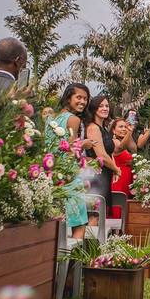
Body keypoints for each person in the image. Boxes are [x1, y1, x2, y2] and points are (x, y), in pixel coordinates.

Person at [45, 83, 94, 240]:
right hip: (69, 176)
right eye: (78, 97)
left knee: (55, 221)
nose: (83, 102)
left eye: (85, 99)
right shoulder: (73, 119)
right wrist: (84, 144)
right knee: (79, 223)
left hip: (52, 174)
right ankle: (75, 256)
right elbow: (71, 149)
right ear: (68, 98)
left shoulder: (51, 119)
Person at [85, 95, 121, 218]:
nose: (105, 108)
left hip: (105, 174)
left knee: (101, 213)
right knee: (94, 214)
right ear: (94, 108)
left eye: (106, 106)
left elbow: (109, 153)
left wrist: (113, 168)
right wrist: (116, 169)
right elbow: (101, 155)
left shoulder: (104, 128)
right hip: (96, 175)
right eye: (100, 106)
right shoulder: (93, 128)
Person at [110, 117, 137, 199]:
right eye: (121, 127)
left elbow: (134, 149)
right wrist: (129, 132)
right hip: (119, 179)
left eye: (125, 127)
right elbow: (120, 147)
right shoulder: (113, 141)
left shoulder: (126, 141)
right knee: (119, 203)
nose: (124, 129)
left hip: (128, 179)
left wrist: (129, 132)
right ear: (113, 130)